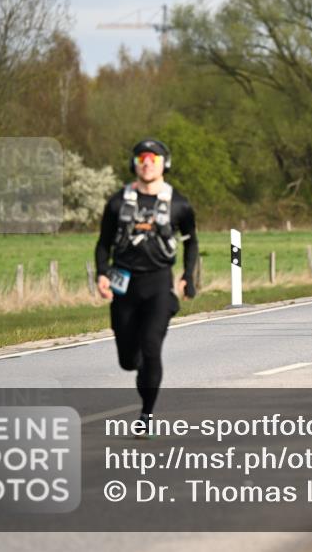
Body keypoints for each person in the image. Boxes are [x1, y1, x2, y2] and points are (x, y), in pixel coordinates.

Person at [95, 139, 198, 429]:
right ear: (135, 164)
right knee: (129, 360)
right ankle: (142, 369)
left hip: (159, 287)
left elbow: (191, 244)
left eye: (153, 158)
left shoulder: (179, 204)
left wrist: (189, 277)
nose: (147, 163)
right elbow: (103, 243)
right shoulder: (117, 202)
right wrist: (102, 273)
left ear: (165, 163)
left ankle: (147, 416)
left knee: (152, 347)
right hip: (124, 286)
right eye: (142, 158)